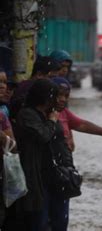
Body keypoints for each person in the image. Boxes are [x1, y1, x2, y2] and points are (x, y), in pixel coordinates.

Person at [4, 79, 59, 230]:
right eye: (53, 96)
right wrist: (52, 122)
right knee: (31, 219)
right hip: (30, 173)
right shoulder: (28, 114)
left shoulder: (42, 114)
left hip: (43, 175)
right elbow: (43, 135)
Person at [51, 77, 102, 152]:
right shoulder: (41, 115)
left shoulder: (63, 112)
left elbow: (83, 125)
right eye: (59, 95)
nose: (63, 99)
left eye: (66, 96)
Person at [9, 56, 59, 121]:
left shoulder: (25, 85)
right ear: (39, 74)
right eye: (51, 78)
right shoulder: (32, 89)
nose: (53, 82)